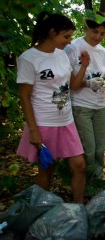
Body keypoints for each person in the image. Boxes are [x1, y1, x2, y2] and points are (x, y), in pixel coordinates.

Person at [16, 11, 87, 203]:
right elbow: (24, 95)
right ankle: (40, 212)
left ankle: (79, 208)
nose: (69, 41)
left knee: (79, 165)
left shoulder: (62, 56)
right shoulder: (29, 58)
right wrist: (33, 131)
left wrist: (85, 66)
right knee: (47, 169)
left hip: (66, 121)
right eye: (66, 36)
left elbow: (72, 84)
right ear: (52, 32)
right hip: (44, 122)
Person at [65, 12, 105, 182]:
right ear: (86, 28)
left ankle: (97, 184)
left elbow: (102, 76)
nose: (98, 36)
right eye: (95, 31)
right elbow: (68, 80)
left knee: (99, 149)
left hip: (99, 105)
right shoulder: (73, 47)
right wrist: (88, 83)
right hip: (80, 105)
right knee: (88, 150)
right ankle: (85, 184)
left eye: (103, 33)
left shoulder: (103, 52)